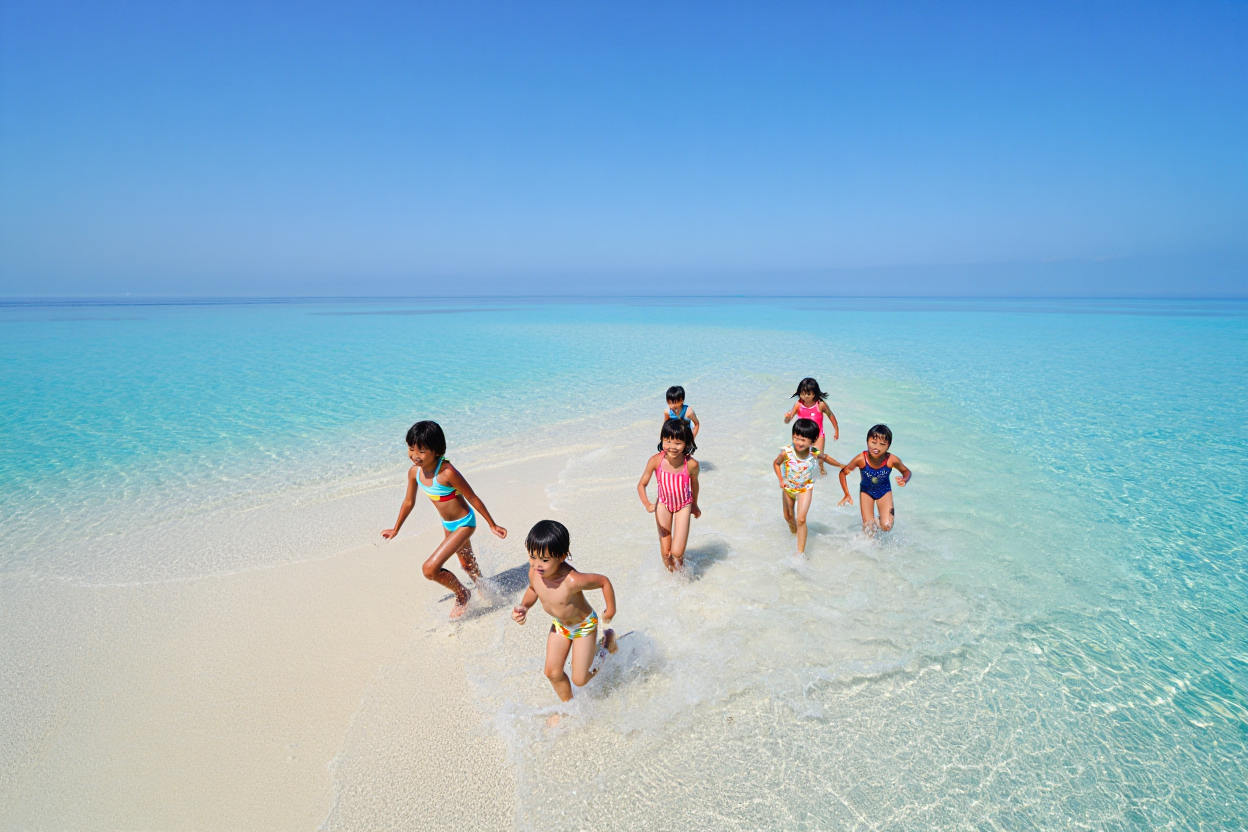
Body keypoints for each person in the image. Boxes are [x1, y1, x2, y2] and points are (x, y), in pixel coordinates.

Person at [381, 420, 507, 618]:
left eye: (421, 451)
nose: (415, 456)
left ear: (437, 450)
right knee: (466, 565)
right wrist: (396, 529)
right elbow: (408, 502)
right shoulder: (414, 473)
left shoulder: (448, 472)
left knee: (430, 569)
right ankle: (484, 587)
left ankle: (462, 594)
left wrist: (492, 524)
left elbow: (472, 497)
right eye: (411, 449)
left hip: (465, 523)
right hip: (448, 525)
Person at [512, 520, 618, 703]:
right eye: (532, 556)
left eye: (544, 560)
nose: (537, 564)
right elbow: (532, 589)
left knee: (580, 679)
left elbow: (604, 581)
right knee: (552, 672)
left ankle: (605, 646)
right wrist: (524, 607)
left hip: (583, 626)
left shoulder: (572, 580)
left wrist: (610, 610)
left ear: (562, 557)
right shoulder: (534, 572)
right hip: (560, 626)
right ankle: (569, 707)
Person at [636, 418, 701, 572]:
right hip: (663, 505)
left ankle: (681, 569)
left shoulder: (691, 465)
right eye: (668, 441)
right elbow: (641, 485)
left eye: (678, 443)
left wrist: (695, 504)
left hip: (683, 505)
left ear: (687, 443)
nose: (672, 447)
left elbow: (694, 485)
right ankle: (673, 577)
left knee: (678, 552)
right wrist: (647, 504)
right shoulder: (655, 461)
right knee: (666, 552)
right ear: (662, 440)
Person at [773, 418, 843, 556]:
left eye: (803, 440)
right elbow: (776, 464)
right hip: (788, 488)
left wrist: (842, 465)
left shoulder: (814, 452)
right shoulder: (787, 452)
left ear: (812, 440)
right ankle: (795, 534)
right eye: (796, 438)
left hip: (805, 488)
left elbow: (826, 457)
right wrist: (781, 480)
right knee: (788, 517)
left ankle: (800, 552)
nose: (798, 442)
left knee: (801, 519)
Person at [838, 424, 913, 536]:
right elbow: (843, 472)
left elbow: (907, 472)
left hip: (884, 492)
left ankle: (878, 521)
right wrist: (846, 494)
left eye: (882, 444)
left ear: (888, 446)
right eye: (873, 443)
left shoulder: (891, 460)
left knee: (887, 526)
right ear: (867, 441)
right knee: (869, 531)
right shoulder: (861, 459)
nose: (877, 447)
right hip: (866, 492)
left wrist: (905, 479)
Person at [782, 377, 839, 472]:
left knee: (819, 456)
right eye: (803, 393)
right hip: (803, 436)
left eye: (808, 394)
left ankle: (822, 471)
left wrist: (836, 429)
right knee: (802, 458)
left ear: (815, 393)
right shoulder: (798, 405)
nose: (805, 396)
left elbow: (830, 415)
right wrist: (787, 418)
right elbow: (787, 421)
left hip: (818, 435)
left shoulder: (820, 404)